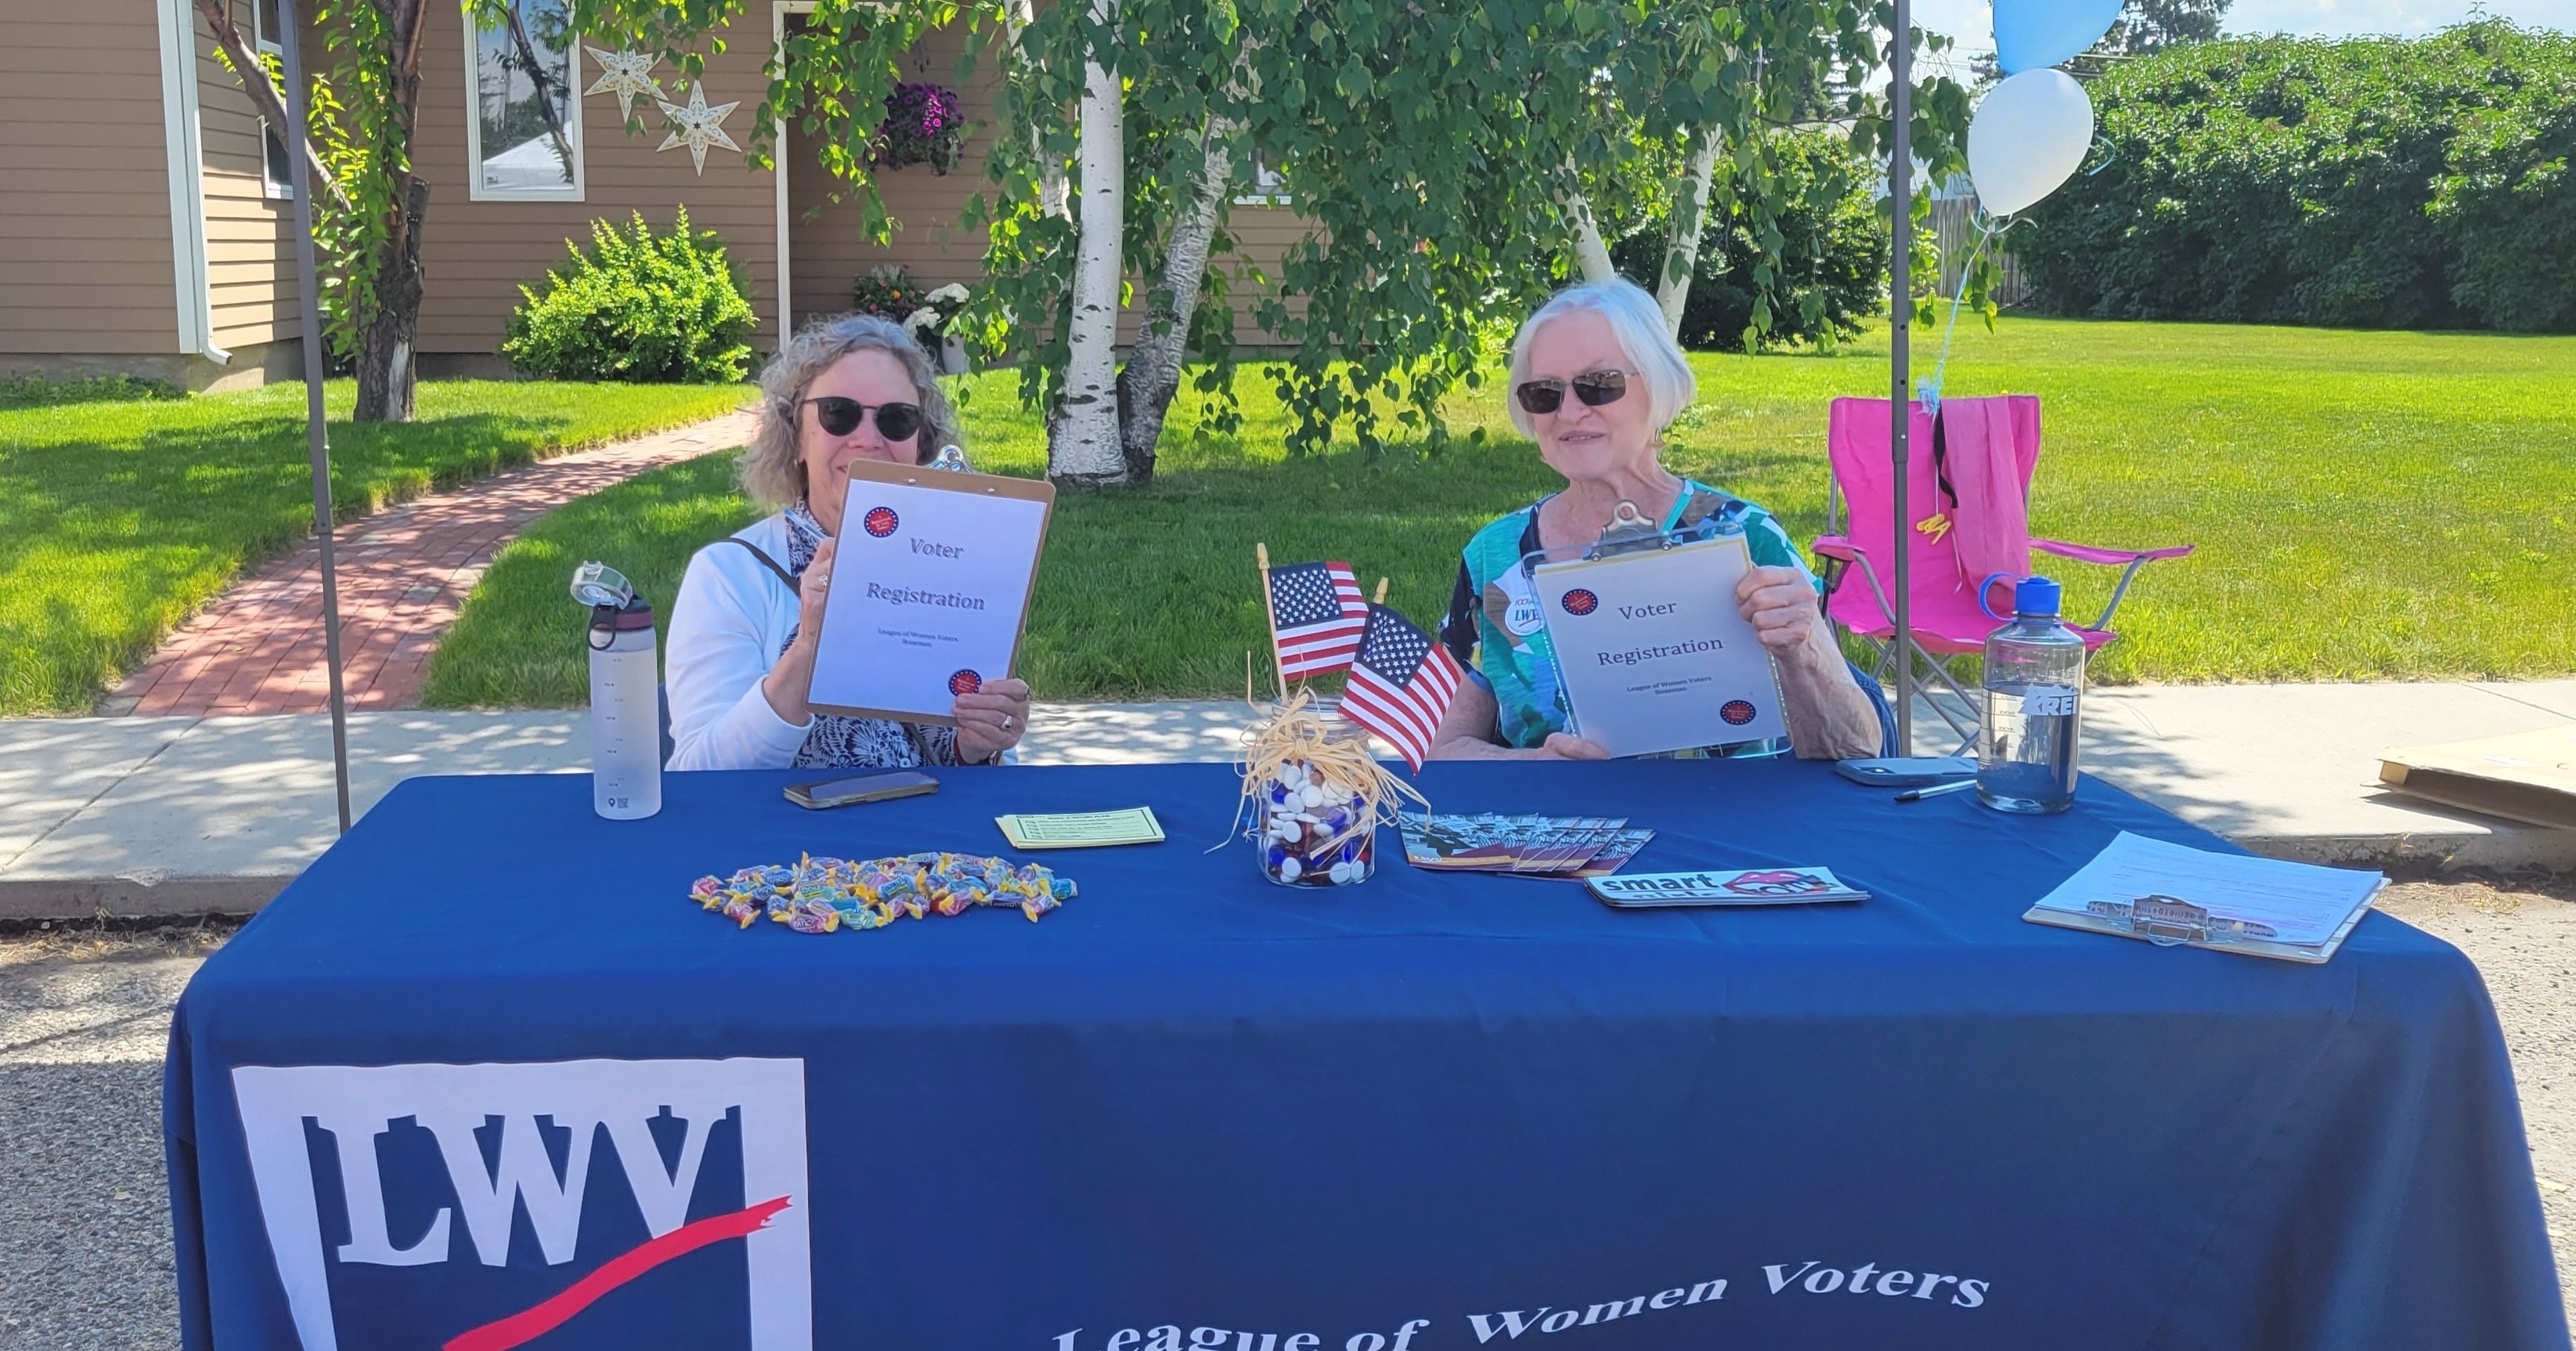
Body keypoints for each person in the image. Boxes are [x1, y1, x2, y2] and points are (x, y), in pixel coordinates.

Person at [1430, 279, 1881, 762]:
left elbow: (1855, 750)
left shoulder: (1740, 534)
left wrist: (1804, 647)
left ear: (1661, 385)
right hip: (1564, 829)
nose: (1570, 412)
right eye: (1544, 393)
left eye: (1599, 385)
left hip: (1730, 823)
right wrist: (1536, 766)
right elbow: (1442, 746)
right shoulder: (1496, 556)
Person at [665, 314, 1033, 771]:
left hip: (922, 839)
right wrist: (808, 649)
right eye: (839, 413)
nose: (867, 440)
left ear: (920, 445)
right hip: (787, 838)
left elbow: (979, 766)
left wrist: (981, 744)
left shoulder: (952, 565)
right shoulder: (729, 575)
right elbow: (698, 776)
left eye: (897, 420)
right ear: (795, 437)